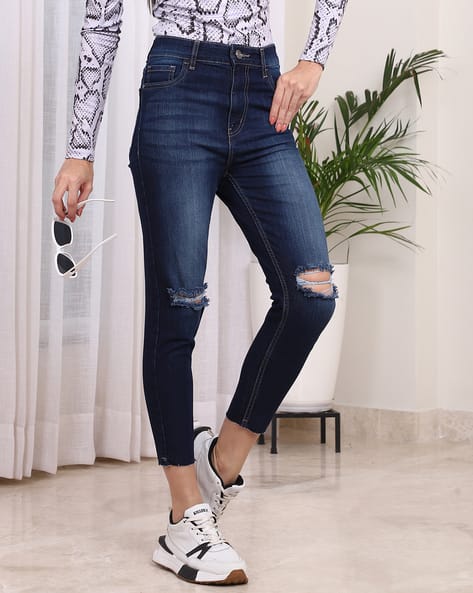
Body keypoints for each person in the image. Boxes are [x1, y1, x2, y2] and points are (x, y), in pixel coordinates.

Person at [52, 0, 347, 586]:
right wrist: (80, 149)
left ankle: (223, 461)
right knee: (179, 303)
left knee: (311, 293)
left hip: (264, 90)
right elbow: (102, 20)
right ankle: (184, 515)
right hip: (177, 88)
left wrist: (314, 57)